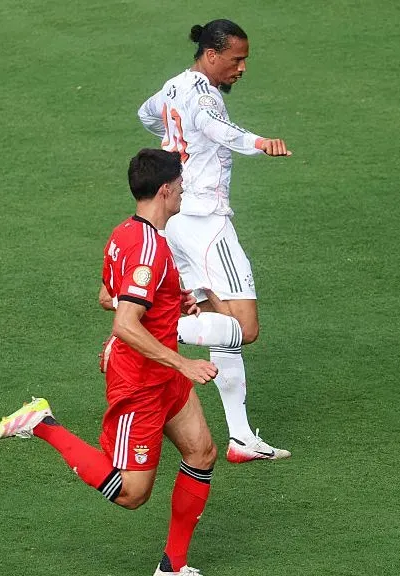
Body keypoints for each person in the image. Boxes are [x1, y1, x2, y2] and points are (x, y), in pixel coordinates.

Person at [0, 149, 219, 576]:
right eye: (181, 184)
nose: (184, 189)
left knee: (201, 452)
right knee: (131, 493)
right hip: (142, 381)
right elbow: (125, 322)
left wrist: (171, 304)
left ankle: (173, 567)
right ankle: (43, 424)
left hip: (162, 372)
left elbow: (108, 296)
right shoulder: (147, 247)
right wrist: (183, 364)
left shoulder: (124, 234)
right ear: (165, 190)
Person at [137, 19, 292, 463]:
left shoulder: (172, 87)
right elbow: (214, 126)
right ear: (211, 55)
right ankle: (138, 335)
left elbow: (147, 115)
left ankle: (241, 438)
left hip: (178, 219)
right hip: (207, 221)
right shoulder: (204, 95)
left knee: (217, 321)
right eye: (236, 59)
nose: (241, 68)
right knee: (243, 328)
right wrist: (259, 142)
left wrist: (173, 141)